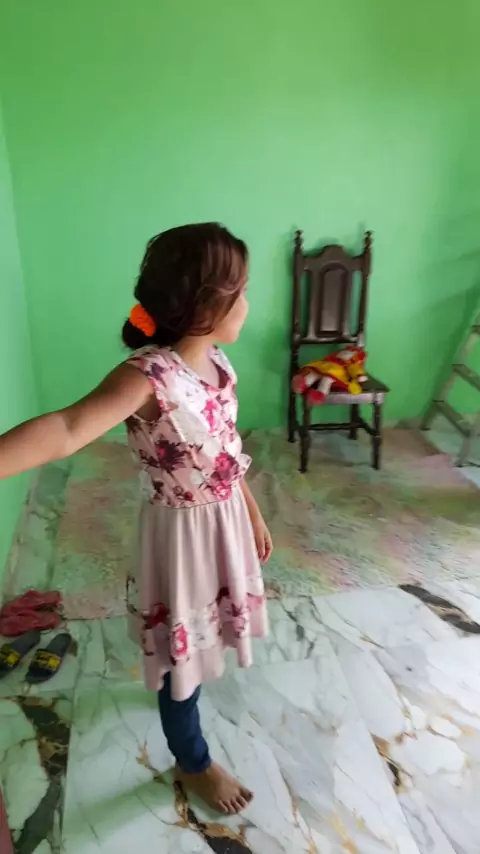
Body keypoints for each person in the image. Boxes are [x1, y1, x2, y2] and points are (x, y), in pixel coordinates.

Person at [0, 222, 272, 814]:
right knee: (180, 657)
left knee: (202, 637)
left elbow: (225, 449)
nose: (249, 304)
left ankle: (186, 701)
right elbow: (67, 428)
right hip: (181, 541)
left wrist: (250, 512)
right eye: (242, 292)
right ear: (205, 306)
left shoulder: (218, 362)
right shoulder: (147, 378)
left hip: (223, 523)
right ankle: (192, 761)